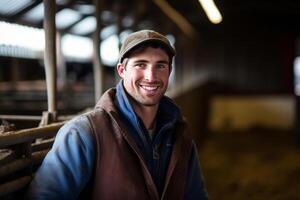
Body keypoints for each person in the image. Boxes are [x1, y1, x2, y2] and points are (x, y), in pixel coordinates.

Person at [27, 30, 208, 200]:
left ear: (169, 71)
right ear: (122, 70)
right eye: (141, 64)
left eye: (160, 66)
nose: (151, 76)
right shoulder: (84, 133)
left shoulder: (180, 133)